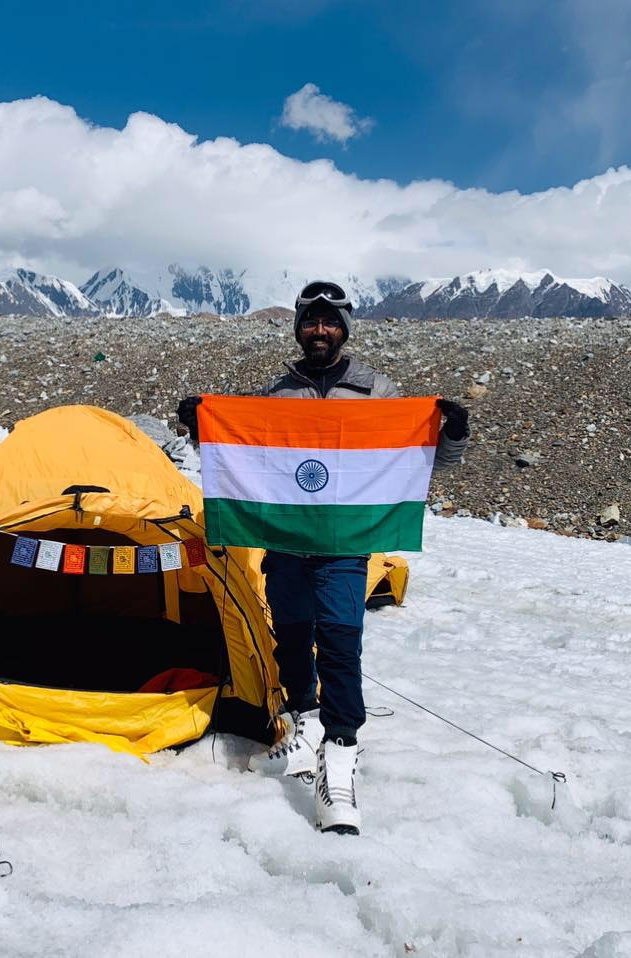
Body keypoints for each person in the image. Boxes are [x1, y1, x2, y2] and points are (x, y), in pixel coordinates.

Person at [178, 280, 469, 835]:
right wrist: (203, 428)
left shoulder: (377, 393)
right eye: (310, 321)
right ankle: (305, 726)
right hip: (286, 541)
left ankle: (340, 754)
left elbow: (427, 460)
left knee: (338, 641)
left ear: (343, 329)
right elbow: (243, 458)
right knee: (288, 634)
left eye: (329, 322)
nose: (319, 330)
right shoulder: (276, 395)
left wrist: (450, 434)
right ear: (299, 328)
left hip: (343, 545)